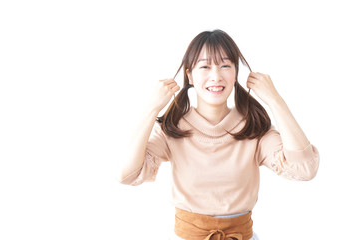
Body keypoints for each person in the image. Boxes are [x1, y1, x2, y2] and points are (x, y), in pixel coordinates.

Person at [118, 29, 319, 240]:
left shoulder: (253, 127)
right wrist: (151, 108)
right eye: (205, 66)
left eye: (225, 65)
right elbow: (126, 175)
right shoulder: (171, 128)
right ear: (190, 75)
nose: (216, 76)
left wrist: (275, 100)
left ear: (235, 73)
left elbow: (305, 169)